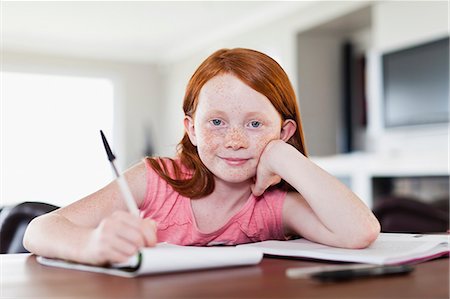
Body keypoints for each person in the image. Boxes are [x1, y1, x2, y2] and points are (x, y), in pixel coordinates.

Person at [23, 48, 380, 266]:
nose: (236, 140)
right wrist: (91, 244)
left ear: (284, 132)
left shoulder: (273, 206)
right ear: (192, 130)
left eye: (255, 124)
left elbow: (360, 231)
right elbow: (40, 230)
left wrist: (281, 156)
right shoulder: (155, 179)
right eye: (217, 122)